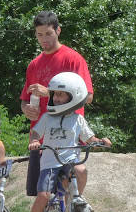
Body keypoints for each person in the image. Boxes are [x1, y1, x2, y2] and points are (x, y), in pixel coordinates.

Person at [25, 72, 111, 212]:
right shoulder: (47, 117)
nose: (55, 98)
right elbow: (35, 132)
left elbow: (89, 138)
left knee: (81, 170)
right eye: (54, 94)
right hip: (49, 163)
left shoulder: (78, 119)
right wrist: (34, 140)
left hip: (69, 161)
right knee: (43, 195)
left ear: (73, 97)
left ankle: (76, 206)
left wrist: (100, 141)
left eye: (60, 94)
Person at [20, 11, 93, 198]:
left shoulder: (73, 59)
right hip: (41, 136)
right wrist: (26, 109)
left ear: (58, 30)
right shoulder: (34, 65)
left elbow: (89, 96)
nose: (44, 39)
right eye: (39, 34)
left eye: (48, 33)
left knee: (73, 180)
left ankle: (73, 211)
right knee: (43, 195)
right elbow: (24, 100)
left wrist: (49, 92)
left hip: (68, 135)